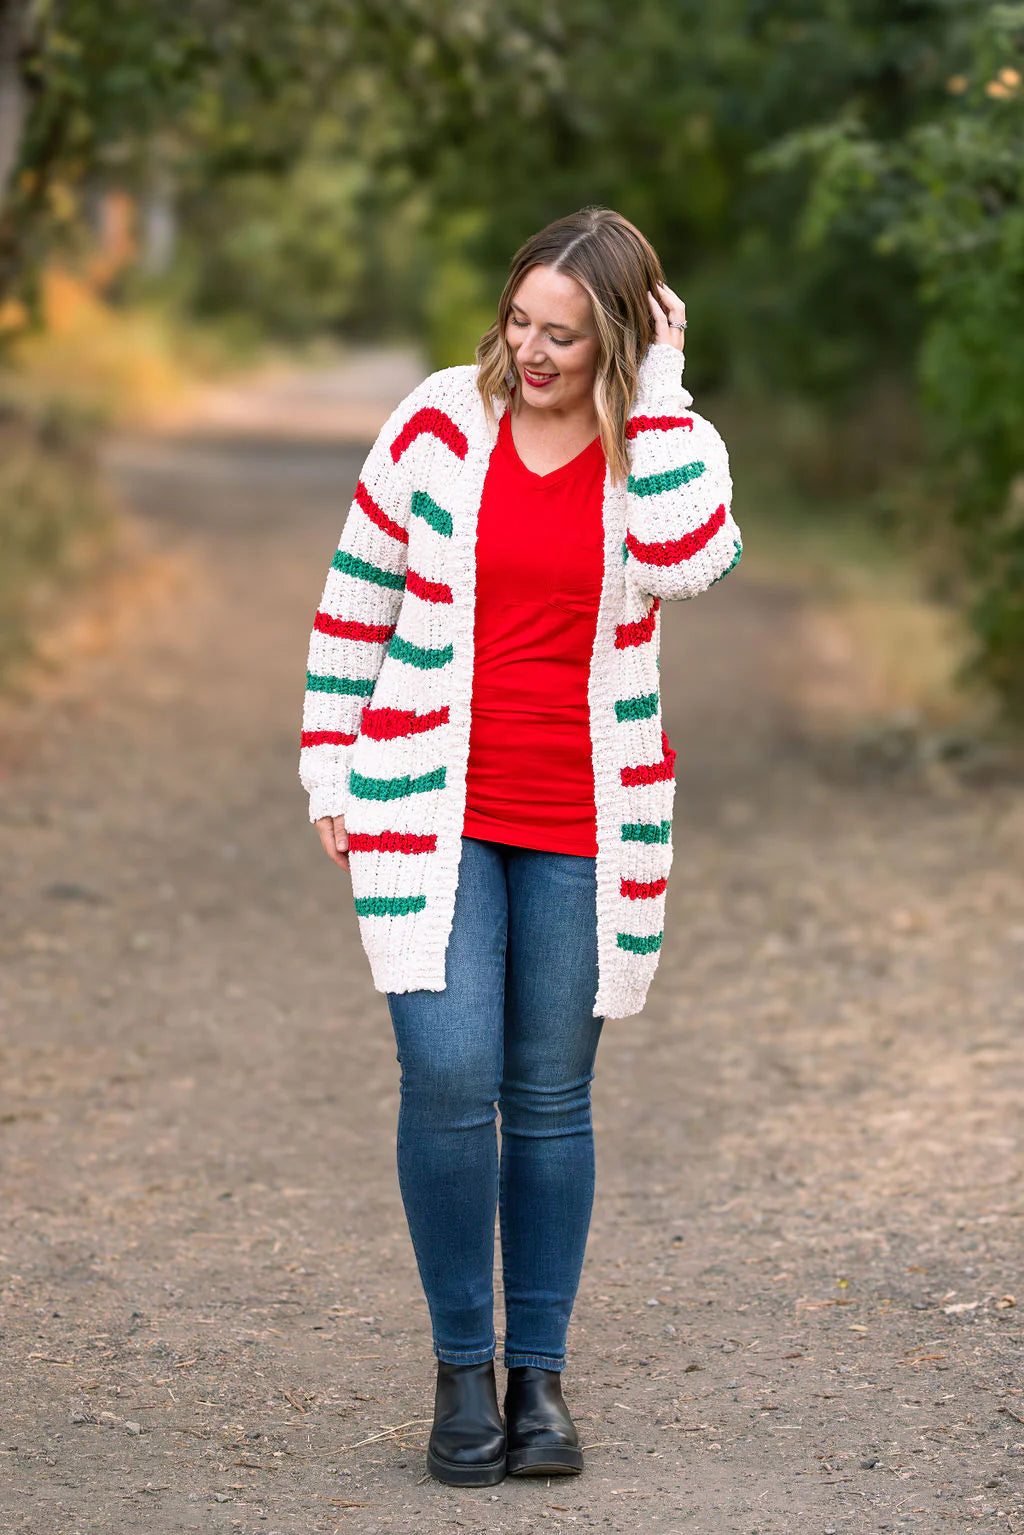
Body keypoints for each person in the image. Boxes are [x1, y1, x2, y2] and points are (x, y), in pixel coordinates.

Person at [298, 206, 742, 1487]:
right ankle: (462, 1370)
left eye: (565, 334)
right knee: (447, 1075)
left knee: (549, 1098)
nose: (532, 352)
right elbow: (354, 600)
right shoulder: (438, 421)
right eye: (520, 322)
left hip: (585, 818)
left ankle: (537, 1378)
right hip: (426, 803)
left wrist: (659, 394)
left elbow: (688, 561)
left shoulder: (664, 446)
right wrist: (330, 763)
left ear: (621, 337)